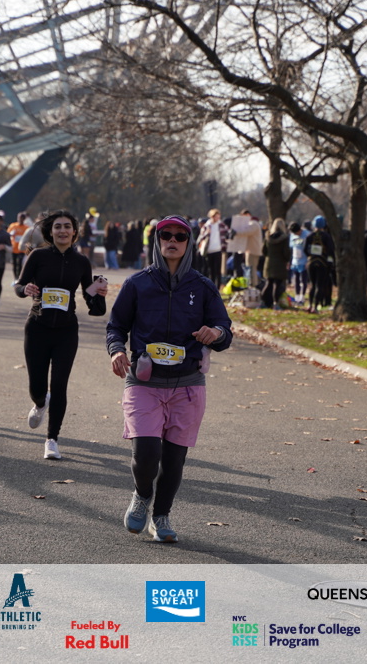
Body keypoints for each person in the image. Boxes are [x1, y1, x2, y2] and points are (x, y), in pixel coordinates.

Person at [107, 215, 232, 543]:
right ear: (157, 240)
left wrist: (216, 333)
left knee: (175, 459)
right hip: (144, 382)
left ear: (189, 243)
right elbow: (116, 325)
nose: (172, 241)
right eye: (166, 235)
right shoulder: (137, 284)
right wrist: (116, 350)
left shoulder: (202, 287)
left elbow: (224, 329)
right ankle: (142, 495)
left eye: (180, 236)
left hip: (187, 384)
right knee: (146, 455)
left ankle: (161, 516)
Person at [14, 210, 107, 460]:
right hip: (37, 327)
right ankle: (39, 402)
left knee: (59, 385)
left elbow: (89, 298)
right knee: (37, 386)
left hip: (66, 331)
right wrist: (25, 289)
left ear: (74, 232)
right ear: (51, 231)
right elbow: (18, 285)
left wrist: (98, 293)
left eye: (67, 226)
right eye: (58, 227)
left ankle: (52, 439)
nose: (62, 231)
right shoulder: (38, 256)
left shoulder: (81, 262)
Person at [305, 215, 335, 312]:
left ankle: (310, 305)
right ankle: (316, 306)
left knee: (312, 285)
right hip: (322, 263)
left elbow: (305, 249)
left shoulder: (310, 236)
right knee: (320, 285)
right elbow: (331, 250)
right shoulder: (326, 236)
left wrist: (310, 256)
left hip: (311, 263)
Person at [261, 218, 291, 309]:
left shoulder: (268, 237)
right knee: (277, 284)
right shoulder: (284, 238)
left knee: (269, 283)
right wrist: (288, 259)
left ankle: (264, 302)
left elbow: (264, 251)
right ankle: (276, 303)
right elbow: (286, 252)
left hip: (269, 263)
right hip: (280, 264)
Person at [196, 209, 228, 289]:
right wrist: (207, 233)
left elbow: (227, 232)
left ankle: (218, 287)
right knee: (211, 270)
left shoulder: (221, 224)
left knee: (218, 270)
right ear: (212, 216)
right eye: (216, 217)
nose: (217, 218)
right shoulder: (207, 225)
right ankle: (212, 286)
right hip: (209, 250)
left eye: (218, 217)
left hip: (218, 249)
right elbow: (201, 237)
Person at [7, 211, 30, 279]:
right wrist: (11, 234)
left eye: (22, 218)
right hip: (14, 248)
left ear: (24, 219)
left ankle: (19, 277)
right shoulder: (13, 226)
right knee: (14, 264)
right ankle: (15, 277)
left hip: (22, 249)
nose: (20, 219)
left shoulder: (26, 228)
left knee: (19, 263)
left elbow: (29, 238)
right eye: (19, 218)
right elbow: (7, 234)